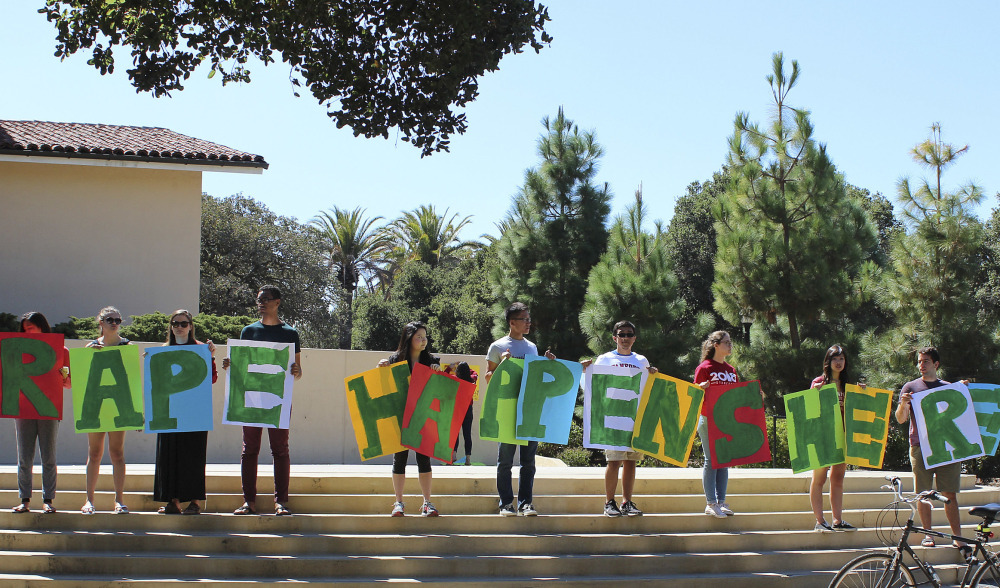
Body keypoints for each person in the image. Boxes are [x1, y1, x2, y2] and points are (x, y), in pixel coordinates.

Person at [224, 286, 302, 516]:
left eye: (266, 299)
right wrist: (230, 365)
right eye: (259, 299)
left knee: (280, 449)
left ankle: (280, 502)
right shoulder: (248, 331)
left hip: (277, 399)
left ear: (277, 302)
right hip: (250, 398)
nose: (261, 303)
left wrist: (297, 370)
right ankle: (249, 501)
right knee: (250, 449)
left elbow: (297, 371)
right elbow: (241, 364)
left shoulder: (290, 333)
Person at [895, 346, 969, 557]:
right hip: (919, 446)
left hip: (947, 447)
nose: (921, 365)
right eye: (919, 361)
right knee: (924, 493)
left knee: (950, 494)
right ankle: (928, 534)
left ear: (936, 364)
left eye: (926, 361)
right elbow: (900, 419)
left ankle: (957, 537)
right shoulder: (910, 387)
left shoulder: (948, 387)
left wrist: (962, 389)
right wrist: (903, 404)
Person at [580, 320, 658, 517]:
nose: (625, 338)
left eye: (629, 334)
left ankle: (627, 502)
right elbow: (592, 387)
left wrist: (654, 376)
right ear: (614, 338)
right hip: (612, 419)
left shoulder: (642, 360)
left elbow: (648, 389)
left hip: (634, 419)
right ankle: (609, 502)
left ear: (634, 338)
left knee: (631, 462)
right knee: (614, 461)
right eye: (621, 334)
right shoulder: (604, 359)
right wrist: (584, 371)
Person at [485, 302, 554, 517]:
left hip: (529, 409)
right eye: (524, 319)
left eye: (529, 319)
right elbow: (488, 378)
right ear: (512, 322)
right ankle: (506, 503)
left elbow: (535, 376)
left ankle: (526, 503)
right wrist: (504, 365)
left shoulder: (532, 347)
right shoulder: (497, 347)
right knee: (505, 460)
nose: (528, 323)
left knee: (528, 461)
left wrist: (547, 363)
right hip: (507, 409)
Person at [377, 321, 450, 516]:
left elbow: (439, 392)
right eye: (419, 337)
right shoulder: (395, 360)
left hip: (423, 417)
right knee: (399, 459)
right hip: (400, 416)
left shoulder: (431, 360)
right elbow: (384, 386)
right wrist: (381, 368)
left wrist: (437, 372)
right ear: (409, 339)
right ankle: (398, 503)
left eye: (425, 336)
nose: (423, 340)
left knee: (423, 459)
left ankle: (427, 502)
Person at [153, 310, 217, 515]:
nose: (179, 327)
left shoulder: (201, 349)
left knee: (193, 455)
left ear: (191, 326)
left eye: (183, 323)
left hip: (194, 413)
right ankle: (173, 501)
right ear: (171, 326)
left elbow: (212, 379)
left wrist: (211, 358)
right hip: (169, 412)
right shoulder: (162, 350)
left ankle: (194, 502)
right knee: (169, 455)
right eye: (175, 323)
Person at [11, 312, 71, 514]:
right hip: (24, 408)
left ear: (41, 326)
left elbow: (68, 383)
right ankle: (25, 500)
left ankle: (48, 500)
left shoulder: (61, 350)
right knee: (24, 458)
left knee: (48, 456)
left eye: (31, 327)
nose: (27, 331)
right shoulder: (17, 351)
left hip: (48, 407)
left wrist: (60, 375)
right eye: (25, 329)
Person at [82, 306, 132, 514]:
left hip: (118, 405)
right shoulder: (91, 346)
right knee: (94, 453)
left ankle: (119, 500)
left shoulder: (127, 346)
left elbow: (133, 381)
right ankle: (89, 500)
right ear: (100, 322)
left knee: (117, 453)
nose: (114, 323)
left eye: (117, 319)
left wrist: (134, 413)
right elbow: (83, 378)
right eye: (109, 319)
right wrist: (89, 355)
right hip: (97, 405)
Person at [809, 344, 857, 532]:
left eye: (842, 359)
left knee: (838, 479)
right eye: (835, 359)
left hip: (842, 437)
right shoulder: (819, 382)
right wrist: (815, 392)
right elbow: (809, 409)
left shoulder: (848, 386)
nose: (838, 362)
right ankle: (820, 521)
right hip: (822, 437)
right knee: (819, 478)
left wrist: (862, 393)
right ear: (827, 362)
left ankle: (837, 520)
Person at [694, 330, 737, 518]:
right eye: (726, 342)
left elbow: (736, 395)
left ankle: (722, 502)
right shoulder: (704, 367)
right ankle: (710, 503)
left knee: (724, 462)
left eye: (730, 342)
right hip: (708, 418)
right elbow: (693, 393)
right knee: (711, 461)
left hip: (726, 420)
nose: (730, 345)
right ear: (715, 345)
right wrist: (700, 387)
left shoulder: (731, 370)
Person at [450, 362, 477, 466]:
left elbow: (444, 374)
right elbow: (475, 373)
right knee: (467, 434)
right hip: (468, 409)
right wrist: (467, 370)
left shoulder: (454, 379)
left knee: (454, 433)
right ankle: (468, 459)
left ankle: (454, 456)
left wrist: (451, 367)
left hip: (456, 409)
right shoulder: (472, 379)